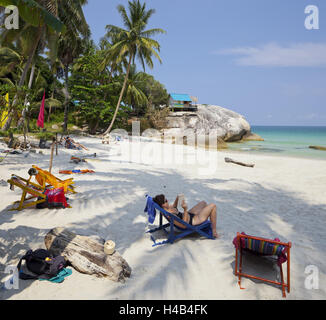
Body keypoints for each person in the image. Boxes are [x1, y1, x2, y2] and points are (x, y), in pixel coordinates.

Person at [153, 194, 218, 238]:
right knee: (213, 206)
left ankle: (206, 214)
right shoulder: (170, 216)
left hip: (189, 215)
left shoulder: (167, 209)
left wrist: (177, 198)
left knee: (203, 203)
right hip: (193, 221)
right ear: (163, 205)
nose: (167, 200)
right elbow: (184, 225)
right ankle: (214, 231)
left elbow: (174, 207)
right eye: (166, 200)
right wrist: (185, 209)